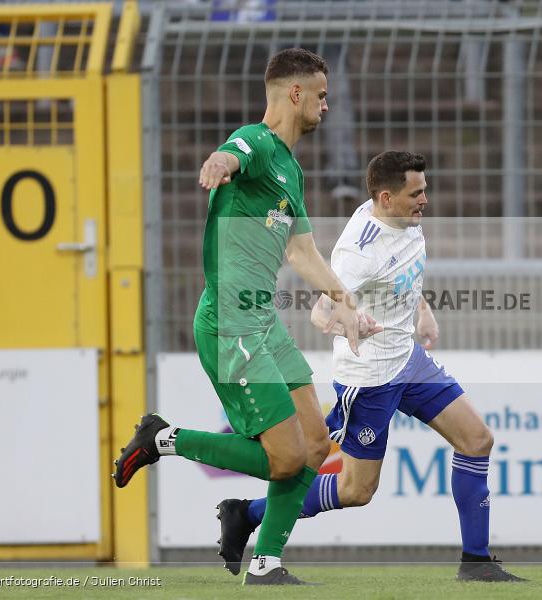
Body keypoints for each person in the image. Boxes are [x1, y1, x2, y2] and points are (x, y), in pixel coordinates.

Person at [114, 48, 369, 586]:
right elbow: (232, 153)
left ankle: (265, 561)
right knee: (285, 459)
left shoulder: (292, 171)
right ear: (295, 94)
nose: (328, 104)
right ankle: (163, 438)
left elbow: (302, 254)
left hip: (264, 324)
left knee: (317, 445)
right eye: (321, 95)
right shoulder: (257, 142)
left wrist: (346, 306)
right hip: (231, 324)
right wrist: (219, 162)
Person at [215, 151, 525, 583]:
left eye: (425, 190)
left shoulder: (405, 219)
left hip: (408, 361)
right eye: (416, 193)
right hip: (370, 378)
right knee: (355, 491)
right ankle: (246, 513)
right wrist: (348, 323)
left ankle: (476, 561)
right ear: (385, 197)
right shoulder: (357, 254)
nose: (425, 200)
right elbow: (320, 315)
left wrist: (422, 309)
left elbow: (403, 271)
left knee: (477, 440)